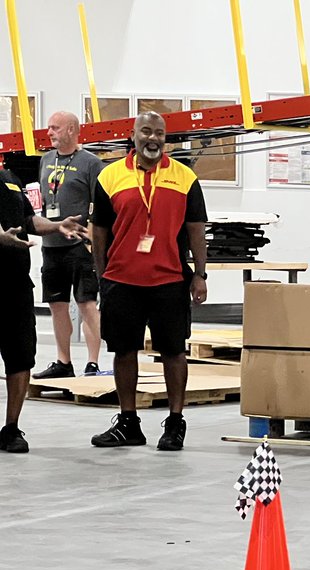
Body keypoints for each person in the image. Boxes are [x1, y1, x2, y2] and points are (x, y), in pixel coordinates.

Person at [89, 112, 209, 451]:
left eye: (159, 133)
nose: (153, 138)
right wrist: (103, 275)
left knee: (173, 351)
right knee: (124, 350)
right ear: (133, 135)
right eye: (146, 131)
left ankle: (175, 423)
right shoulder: (110, 176)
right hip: (121, 281)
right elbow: (98, 231)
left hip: (169, 280)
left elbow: (196, 229)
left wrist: (200, 274)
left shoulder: (184, 177)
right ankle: (128, 423)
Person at [0, 170, 88, 453]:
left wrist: (56, 225)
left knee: (21, 355)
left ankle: (11, 429)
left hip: (15, 283)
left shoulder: (9, 179)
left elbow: (28, 220)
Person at [31, 112, 105, 380]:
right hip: (52, 245)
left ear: (72, 129)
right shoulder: (46, 160)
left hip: (80, 246)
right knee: (57, 304)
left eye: (55, 128)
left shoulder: (91, 163)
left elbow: (102, 204)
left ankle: (93, 363)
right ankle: (64, 362)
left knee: (87, 303)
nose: (49, 132)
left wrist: (94, 235)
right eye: (49, 127)